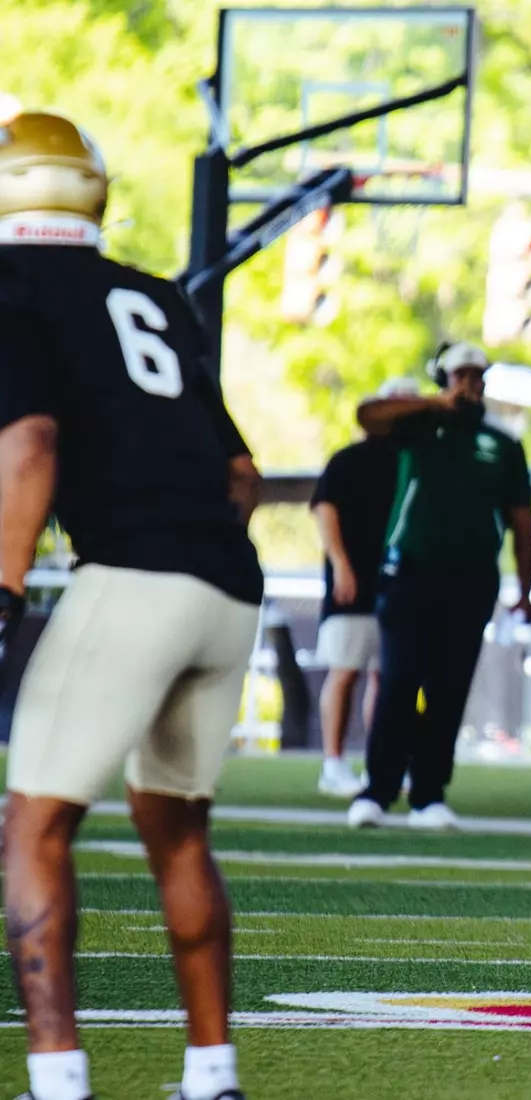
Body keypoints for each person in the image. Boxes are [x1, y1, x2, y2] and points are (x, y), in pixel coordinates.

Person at [0, 110, 262, 1100]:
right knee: (179, 828)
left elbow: (26, 446)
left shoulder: (13, 286)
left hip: (136, 576)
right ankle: (210, 1071)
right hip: (226, 586)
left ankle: (60, 1078)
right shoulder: (152, 293)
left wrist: (5, 587)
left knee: (32, 828)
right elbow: (241, 470)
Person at [347, 342, 531, 831]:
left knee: (448, 690)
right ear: (443, 380)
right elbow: (366, 415)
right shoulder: (417, 424)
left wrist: (527, 589)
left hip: (471, 582)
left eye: (477, 378)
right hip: (409, 575)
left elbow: (522, 522)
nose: (470, 385)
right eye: (460, 377)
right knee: (397, 684)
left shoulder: (503, 445)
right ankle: (377, 789)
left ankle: (429, 794)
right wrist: (434, 404)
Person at [309, 377, 419, 798]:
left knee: (387, 677)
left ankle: (381, 763)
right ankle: (333, 762)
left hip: (398, 585)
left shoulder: (415, 459)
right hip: (353, 585)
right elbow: (325, 510)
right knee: (345, 669)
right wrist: (342, 566)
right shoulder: (349, 459)